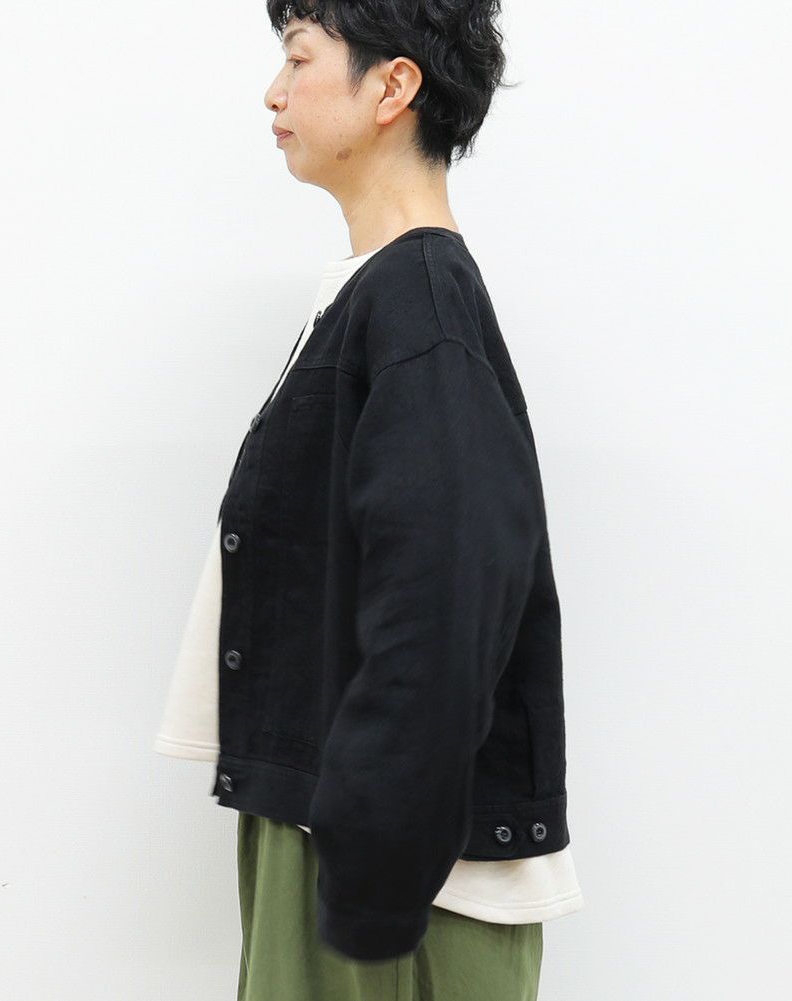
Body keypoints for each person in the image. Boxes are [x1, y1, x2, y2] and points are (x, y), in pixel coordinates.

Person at [155, 2, 583, 998]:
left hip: (385, 873)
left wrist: (369, 883)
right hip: (351, 836)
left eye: (298, 58)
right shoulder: (379, 295)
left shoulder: (416, 307)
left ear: (393, 87)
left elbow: (445, 605)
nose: (273, 93)